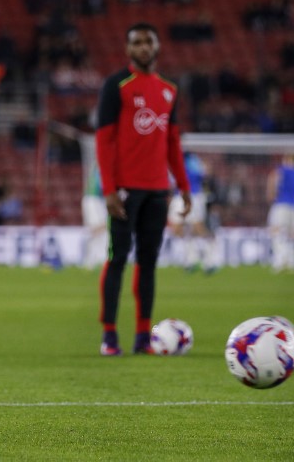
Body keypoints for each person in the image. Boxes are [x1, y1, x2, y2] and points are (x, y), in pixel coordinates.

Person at [94, 22, 190, 356]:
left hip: (157, 190)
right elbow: (104, 140)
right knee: (118, 257)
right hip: (124, 190)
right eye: (137, 42)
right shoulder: (116, 85)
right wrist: (108, 189)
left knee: (148, 262)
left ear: (158, 46)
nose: (144, 47)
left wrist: (184, 187)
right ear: (128, 49)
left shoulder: (169, 89)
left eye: (149, 41)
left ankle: (142, 336)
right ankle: (109, 335)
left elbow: (173, 142)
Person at [168, 151, 218, 274]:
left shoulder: (191, 159)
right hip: (178, 196)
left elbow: (203, 173)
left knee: (197, 227)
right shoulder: (169, 159)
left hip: (193, 195)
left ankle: (211, 260)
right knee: (176, 229)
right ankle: (192, 259)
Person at [266, 154, 294, 272]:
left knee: (275, 230)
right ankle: (292, 262)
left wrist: (270, 193)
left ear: (288, 160)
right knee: (292, 234)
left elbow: (273, 177)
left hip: (281, 204)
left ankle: (279, 259)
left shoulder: (284, 169)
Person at [81, 165, 108, 269]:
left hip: (96, 200)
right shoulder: (101, 169)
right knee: (100, 228)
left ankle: (95, 259)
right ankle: (91, 259)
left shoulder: (100, 168)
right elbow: (101, 187)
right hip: (93, 200)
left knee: (102, 230)